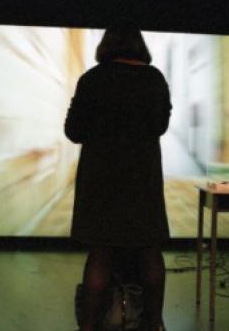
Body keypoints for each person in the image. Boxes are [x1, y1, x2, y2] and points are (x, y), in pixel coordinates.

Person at [64, 20, 172, 331]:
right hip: (143, 179)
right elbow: (161, 126)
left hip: (100, 181)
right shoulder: (154, 80)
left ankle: (88, 327)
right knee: (150, 249)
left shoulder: (92, 80)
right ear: (139, 45)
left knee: (100, 252)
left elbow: (73, 131)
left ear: (106, 45)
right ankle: (153, 324)